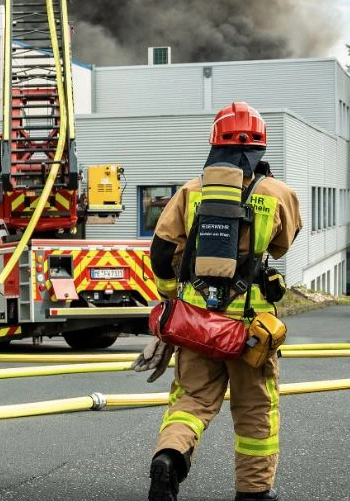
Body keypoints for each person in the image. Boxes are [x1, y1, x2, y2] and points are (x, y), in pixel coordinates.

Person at [141, 102, 303, 501]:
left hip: (196, 324)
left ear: (215, 144)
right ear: (260, 148)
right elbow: (282, 248)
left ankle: (170, 457)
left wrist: (169, 297)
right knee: (255, 410)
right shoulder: (278, 193)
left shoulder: (189, 191)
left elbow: (160, 253)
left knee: (192, 401)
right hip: (252, 331)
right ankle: (254, 492)